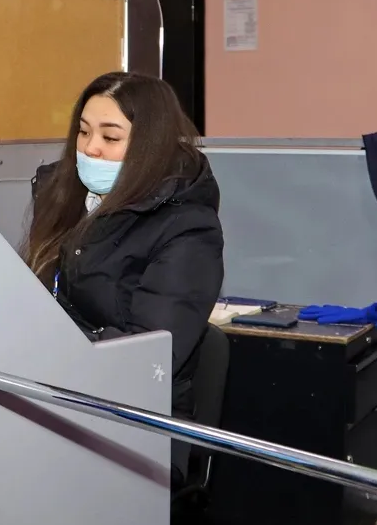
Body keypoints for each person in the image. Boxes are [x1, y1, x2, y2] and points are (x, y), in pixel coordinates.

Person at [22, 72, 224, 485]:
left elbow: (146, 355)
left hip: (141, 425)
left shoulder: (187, 228)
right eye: (82, 131)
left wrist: (52, 354)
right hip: (60, 394)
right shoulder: (65, 198)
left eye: (110, 138)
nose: (90, 147)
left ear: (149, 147)